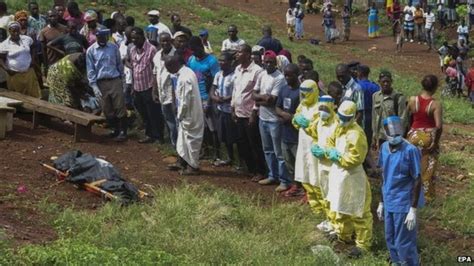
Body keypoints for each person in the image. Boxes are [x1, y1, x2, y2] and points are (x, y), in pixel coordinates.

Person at [326, 100, 373, 258]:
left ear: (353, 117)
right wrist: (329, 151)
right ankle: (343, 234)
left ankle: (363, 244)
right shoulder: (340, 127)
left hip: (353, 176)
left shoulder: (356, 134)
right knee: (340, 205)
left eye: (345, 118)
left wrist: (338, 157)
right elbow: (331, 142)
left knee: (358, 210)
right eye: (340, 116)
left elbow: (355, 158)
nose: (341, 120)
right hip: (339, 174)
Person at [377, 115, 424, 266]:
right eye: (391, 134)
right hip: (389, 199)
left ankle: (408, 263)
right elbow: (383, 175)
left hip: (403, 202)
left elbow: (417, 179)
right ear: (385, 133)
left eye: (398, 134)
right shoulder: (384, 148)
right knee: (390, 236)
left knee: (403, 240)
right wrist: (381, 202)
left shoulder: (410, 150)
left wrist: (413, 209)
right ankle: (396, 261)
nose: (395, 137)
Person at [253, 51, 290, 192]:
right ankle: (272, 175)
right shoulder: (262, 74)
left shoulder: (279, 78)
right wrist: (263, 98)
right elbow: (253, 94)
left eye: (271, 62)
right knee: (267, 150)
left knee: (278, 152)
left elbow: (272, 100)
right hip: (263, 118)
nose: (268, 64)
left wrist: (260, 99)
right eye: (266, 62)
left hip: (274, 119)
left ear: (275, 63)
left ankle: (284, 180)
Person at [231, 44, 266, 182]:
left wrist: (254, 113)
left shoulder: (257, 72)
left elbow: (258, 93)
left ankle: (260, 171)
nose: (236, 55)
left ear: (247, 54)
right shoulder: (237, 69)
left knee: (254, 144)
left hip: (250, 115)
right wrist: (232, 107)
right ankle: (250, 169)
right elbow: (235, 90)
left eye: (239, 52)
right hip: (238, 113)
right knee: (242, 142)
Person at [164, 55, 204, 175]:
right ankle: (182, 162)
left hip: (190, 115)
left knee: (191, 141)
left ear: (173, 65)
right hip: (188, 114)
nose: (167, 71)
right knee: (183, 140)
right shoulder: (186, 72)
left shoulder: (184, 78)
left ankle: (193, 166)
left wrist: (180, 115)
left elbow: (184, 101)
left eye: (168, 68)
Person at [86, 29, 127, 142]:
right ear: (97, 37)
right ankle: (115, 130)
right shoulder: (91, 51)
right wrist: (94, 86)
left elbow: (119, 64)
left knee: (119, 106)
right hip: (101, 82)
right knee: (107, 108)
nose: (102, 39)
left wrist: (123, 81)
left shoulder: (113, 48)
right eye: (100, 38)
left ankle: (123, 131)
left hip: (114, 80)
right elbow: (91, 70)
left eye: (104, 37)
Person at [407, 75, 443, 204]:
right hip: (427, 138)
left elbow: (408, 119)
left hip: (413, 136)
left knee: (411, 165)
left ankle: (410, 194)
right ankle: (427, 198)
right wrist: (435, 143)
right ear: (434, 87)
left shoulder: (412, 100)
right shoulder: (435, 104)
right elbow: (438, 126)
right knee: (428, 169)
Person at [307, 95, 339, 233]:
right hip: (321, 164)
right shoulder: (319, 121)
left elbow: (339, 147)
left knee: (334, 194)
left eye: (325, 108)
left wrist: (326, 153)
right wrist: (315, 146)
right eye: (320, 108)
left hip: (333, 165)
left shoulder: (337, 124)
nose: (322, 111)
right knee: (325, 192)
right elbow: (314, 135)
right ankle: (329, 219)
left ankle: (337, 223)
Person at [127, 27, 164, 144]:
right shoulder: (132, 50)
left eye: (137, 38)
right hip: (137, 87)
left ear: (143, 38)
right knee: (144, 113)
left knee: (154, 113)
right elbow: (133, 67)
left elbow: (155, 69)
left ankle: (159, 136)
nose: (134, 41)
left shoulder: (151, 50)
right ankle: (149, 134)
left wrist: (155, 89)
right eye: (132, 38)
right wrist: (133, 86)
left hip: (149, 87)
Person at [187, 36, 220, 161]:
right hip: (195, 97)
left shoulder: (212, 61)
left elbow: (215, 82)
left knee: (212, 128)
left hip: (207, 98)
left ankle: (216, 153)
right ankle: (205, 150)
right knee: (200, 127)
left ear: (201, 47)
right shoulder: (191, 60)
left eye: (195, 50)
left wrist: (210, 102)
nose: (194, 53)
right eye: (192, 50)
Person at [292, 80, 322, 209]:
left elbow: (320, 127)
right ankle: (309, 198)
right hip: (303, 143)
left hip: (314, 144)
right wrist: (296, 120)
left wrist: (308, 125)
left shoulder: (320, 106)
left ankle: (319, 202)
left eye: (308, 91)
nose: (304, 94)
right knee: (303, 169)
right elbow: (295, 117)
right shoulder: (303, 104)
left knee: (314, 173)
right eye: (302, 91)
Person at [275, 64, 304, 197]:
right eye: (285, 75)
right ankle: (295, 185)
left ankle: (303, 188)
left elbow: (305, 112)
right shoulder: (283, 90)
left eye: (290, 75)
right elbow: (277, 107)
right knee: (288, 161)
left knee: (300, 163)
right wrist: (282, 114)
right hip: (285, 132)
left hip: (297, 135)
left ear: (297, 75)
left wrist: (292, 117)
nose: (287, 77)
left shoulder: (302, 92)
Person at [210, 52, 237, 166]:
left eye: (223, 61)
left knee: (233, 136)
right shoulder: (218, 75)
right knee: (224, 136)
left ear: (230, 62)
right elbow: (212, 89)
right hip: (220, 109)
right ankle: (229, 158)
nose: (221, 63)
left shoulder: (235, 76)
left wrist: (226, 99)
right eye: (219, 60)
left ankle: (239, 161)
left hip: (230, 110)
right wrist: (214, 97)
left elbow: (237, 92)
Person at [0, 22, 41, 98]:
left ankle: (34, 109)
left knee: (33, 94)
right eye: (13, 31)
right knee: (18, 97)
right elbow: (1, 59)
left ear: (20, 30)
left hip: (29, 72)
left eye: (17, 31)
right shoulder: (4, 44)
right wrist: (7, 70)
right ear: (9, 31)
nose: (15, 33)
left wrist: (32, 60)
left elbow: (33, 47)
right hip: (14, 75)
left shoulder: (27, 39)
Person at [372, 70, 408, 151]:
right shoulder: (375, 96)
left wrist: (399, 138)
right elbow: (374, 117)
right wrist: (374, 136)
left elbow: (402, 118)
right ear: (379, 82)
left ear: (391, 82)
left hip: (394, 137)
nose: (386, 84)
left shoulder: (399, 97)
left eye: (388, 81)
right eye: (383, 81)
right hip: (381, 136)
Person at [153, 32, 177, 146]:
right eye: (163, 41)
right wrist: (154, 91)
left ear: (171, 41)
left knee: (176, 120)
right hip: (162, 92)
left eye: (167, 40)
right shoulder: (157, 56)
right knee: (168, 119)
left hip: (174, 94)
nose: (165, 43)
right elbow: (155, 74)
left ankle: (178, 145)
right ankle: (173, 143)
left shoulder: (176, 55)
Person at [357, 64, 380, 148]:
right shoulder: (375, 87)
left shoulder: (357, 86)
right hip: (372, 116)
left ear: (360, 73)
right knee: (368, 139)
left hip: (360, 116)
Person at [335, 64, 364, 128]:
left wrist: (352, 126)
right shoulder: (340, 86)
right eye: (338, 77)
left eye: (342, 76)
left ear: (349, 73)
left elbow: (360, 112)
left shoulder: (356, 89)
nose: (340, 79)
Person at [39, 10, 67, 76]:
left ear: (57, 17)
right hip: (52, 62)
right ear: (47, 18)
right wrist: (46, 66)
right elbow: (44, 50)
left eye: (54, 16)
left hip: (64, 61)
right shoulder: (43, 31)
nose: (53, 18)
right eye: (51, 16)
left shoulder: (64, 28)